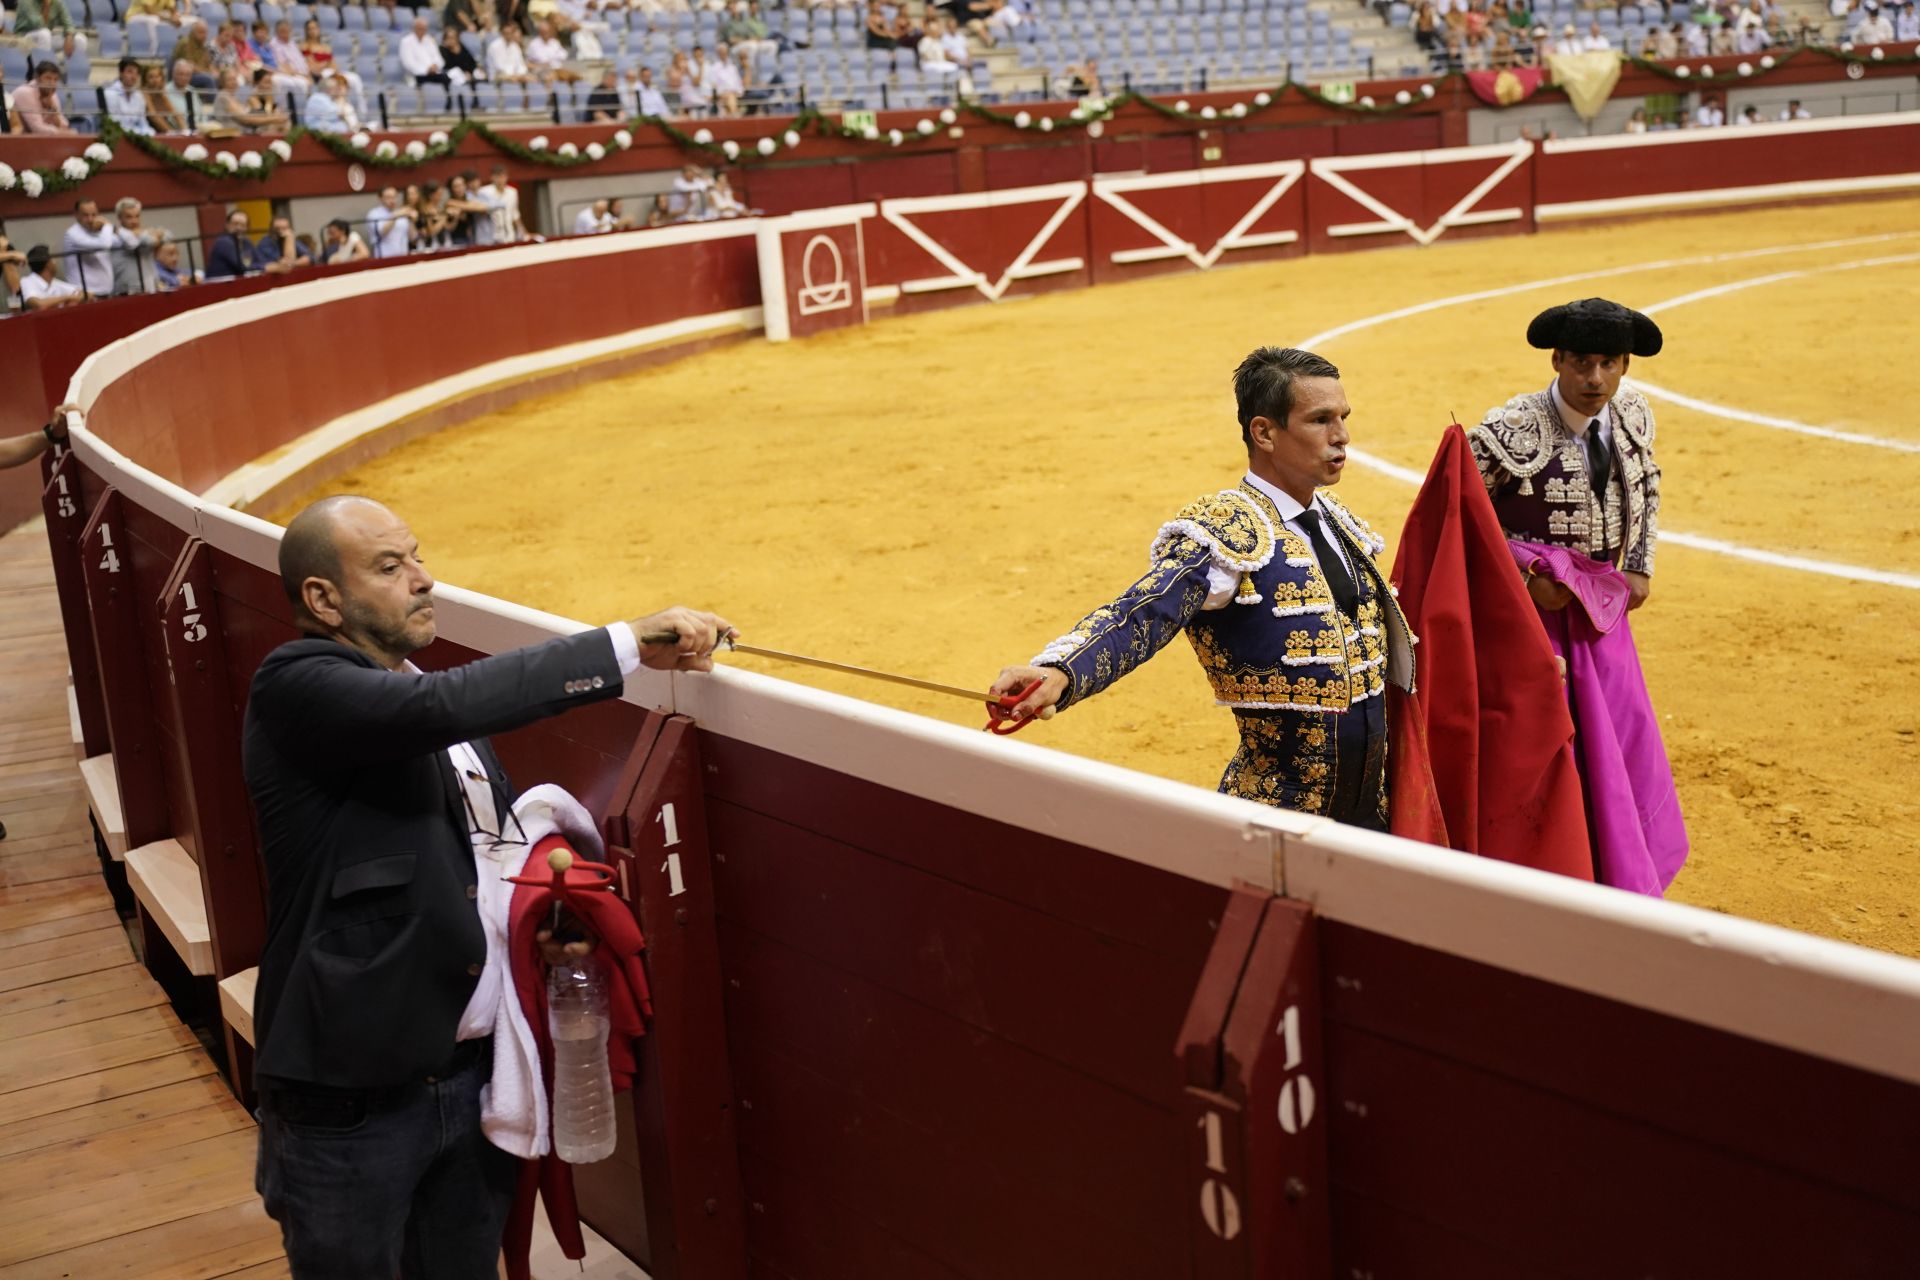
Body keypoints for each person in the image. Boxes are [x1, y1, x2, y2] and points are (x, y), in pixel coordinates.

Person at [242, 495, 733, 1277]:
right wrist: (626, 645)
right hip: (351, 1103)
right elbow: (431, 707)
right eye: (390, 567)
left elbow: (475, 857)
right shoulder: (298, 683)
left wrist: (528, 922)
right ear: (323, 599)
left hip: (470, 1086)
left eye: (418, 558)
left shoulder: (431, 712)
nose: (424, 580)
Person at [988, 348, 1415, 828]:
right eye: (1320, 420)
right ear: (1265, 432)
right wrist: (1063, 671)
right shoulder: (1225, 533)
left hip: (1377, 816)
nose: (1341, 437)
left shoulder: (1341, 526)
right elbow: (1143, 613)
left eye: (1342, 417)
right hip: (1274, 822)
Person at [1464, 298, 1687, 893]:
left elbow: (1648, 484)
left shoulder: (1633, 415)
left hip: (1601, 614)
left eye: (1609, 364)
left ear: (1625, 368)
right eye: (1582, 363)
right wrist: (1526, 572)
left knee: (1618, 737)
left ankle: (1615, 861)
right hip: (1533, 622)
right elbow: (1463, 516)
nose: (1595, 380)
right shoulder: (1507, 431)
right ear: (1558, 359)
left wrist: (1639, 562)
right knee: (1546, 746)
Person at [62, 199, 119, 300]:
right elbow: (104, 245)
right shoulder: (72, 233)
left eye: (94, 214)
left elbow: (124, 242)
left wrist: (114, 229)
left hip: (107, 291)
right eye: (85, 215)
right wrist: (107, 226)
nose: (90, 219)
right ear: (76, 215)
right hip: (85, 293)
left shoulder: (100, 231)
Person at [110, 198, 166, 296]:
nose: (134, 221)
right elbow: (148, 241)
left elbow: (167, 235)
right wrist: (148, 233)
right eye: (129, 217)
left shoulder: (142, 233)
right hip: (128, 290)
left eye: (137, 216)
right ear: (119, 218)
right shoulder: (117, 236)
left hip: (150, 286)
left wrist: (147, 233)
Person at [8, 62, 75, 135]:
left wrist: (53, 109)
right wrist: (61, 132)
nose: (52, 83)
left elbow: (64, 125)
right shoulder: (25, 92)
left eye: (55, 80)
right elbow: (37, 128)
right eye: (48, 78)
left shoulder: (51, 94)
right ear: (37, 78)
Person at [11, 0, 89, 60]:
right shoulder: (25, 1)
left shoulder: (57, 2)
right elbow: (38, 24)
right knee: (44, 33)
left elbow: (69, 24)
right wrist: (46, 5)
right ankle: (43, 70)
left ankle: (72, 72)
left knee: (79, 39)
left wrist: (69, 37)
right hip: (23, 37)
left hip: (45, 38)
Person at [21, 246, 86, 310]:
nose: (56, 262)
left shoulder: (54, 282)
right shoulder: (27, 282)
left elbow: (88, 294)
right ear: (48, 264)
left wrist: (73, 300)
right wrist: (67, 298)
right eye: (53, 259)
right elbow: (39, 305)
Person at [206, 208, 263, 279]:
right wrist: (265, 267)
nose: (238, 228)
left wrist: (262, 266)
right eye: (235, 224)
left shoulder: (246, 242)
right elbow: (241, 267)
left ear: (247, 228)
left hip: (238, 282)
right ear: (227, 225)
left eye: (243, 225)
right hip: (218, 283)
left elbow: (259, 261)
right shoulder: (223, 242)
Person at [106, 58, 158, 136]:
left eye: (136, 73)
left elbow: (143, 123)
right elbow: (114, 125)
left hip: (136, 136)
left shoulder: (139, 96)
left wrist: (150, 133)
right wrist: (138, 132)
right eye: (130, 72)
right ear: (121, 73)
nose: (133, 77)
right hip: (118, 137)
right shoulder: (110, 94)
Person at [400, 16, 452, 86]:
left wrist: (435, 66)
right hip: (418, 75)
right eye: (420, 29)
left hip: (434, 73)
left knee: (448, 79)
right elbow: (408, 63)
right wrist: (426, 70)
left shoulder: (429, 40)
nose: (422, 31)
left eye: (424, 29)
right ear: (414, 28)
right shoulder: (406, 42)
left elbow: (439, 59)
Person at [367, 185, 416, 259]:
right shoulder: (374, 214)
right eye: (388, 197)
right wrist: (395, 216)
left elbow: (412, 237)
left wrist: (411, 221)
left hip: (404, 257)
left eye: (394, 197)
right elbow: (381, 232)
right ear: (380, 198)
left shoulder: (401, 212)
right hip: (384, 259)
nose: (392, 200)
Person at [144, 62, 188, 133]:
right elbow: (154, 117)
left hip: (164, 131)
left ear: (162, 78)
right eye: (151, 77)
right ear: (145, 79)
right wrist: (171, 132)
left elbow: (175, 114)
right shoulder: (145, 94)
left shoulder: (162, 94)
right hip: (151, 132)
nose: (155, 80)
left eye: (157, 76)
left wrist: (185, 130)